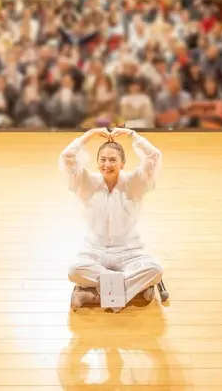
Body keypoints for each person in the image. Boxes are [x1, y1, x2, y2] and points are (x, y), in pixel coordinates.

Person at [59, 126, 164, 312]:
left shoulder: (135, 181)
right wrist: (89, 135)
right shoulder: (85, 181)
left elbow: (154, 156)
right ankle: (137, 290)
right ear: (97, 162)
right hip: (95, 252)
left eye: (113, 160)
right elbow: (68, 156)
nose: (107, 164)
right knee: (74, 270)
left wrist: (132, 135)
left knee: (155, 269)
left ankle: (93, 296)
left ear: (123, 163)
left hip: (129, 252)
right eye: (103, 160)